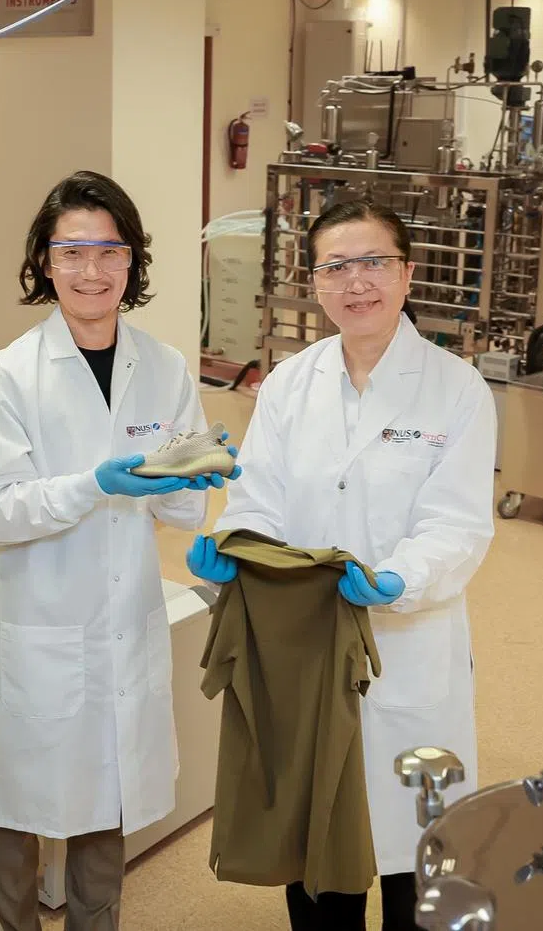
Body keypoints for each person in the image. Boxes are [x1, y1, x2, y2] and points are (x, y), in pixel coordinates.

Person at [187, 199, 495, 931]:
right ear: (316, 282)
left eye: (374, 263)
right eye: (337, 267)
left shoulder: (457, 390)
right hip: (308, 645)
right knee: (318, 844)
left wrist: (400, 579)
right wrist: (237, 542)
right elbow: (258, 492)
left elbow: (456, 524)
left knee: (413, 853)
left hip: (407, 645)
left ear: (407, 273)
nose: (357, 283)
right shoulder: (290, 383)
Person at [0, 170, 237, 931]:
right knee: (17, 803)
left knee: (107, 796)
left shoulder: (165, 366)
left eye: (109, 251)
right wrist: (92, 484)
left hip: (124, 616)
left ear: (132, 262)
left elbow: (179, 507)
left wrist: (200, 468)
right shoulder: (6, 378)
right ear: (44, 262)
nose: (91, 270)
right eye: (72, 251)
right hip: (43, 620)